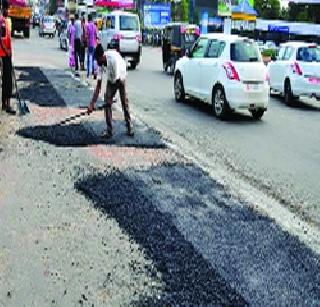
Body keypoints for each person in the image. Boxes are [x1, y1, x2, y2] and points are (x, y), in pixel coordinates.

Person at [88, 44, 134, 139]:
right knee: (106, 100)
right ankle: (109, 130)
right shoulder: (100, 64)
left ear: (102, 56)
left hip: (121, 76)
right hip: (112, 78)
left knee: (124, 102)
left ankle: (129, 126)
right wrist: (92, 104)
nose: (97, 62)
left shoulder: (113, 61)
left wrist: (111, 100)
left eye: (98, 60)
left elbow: (117, 81)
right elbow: (98, 86)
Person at [0, 0, 15, 114]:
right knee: (7, 81)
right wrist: (6, 50)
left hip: (7, 54)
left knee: (7, 80)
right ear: (3, 8)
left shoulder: (6, 21)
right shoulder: (1, 21)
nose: (8, 11)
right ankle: (6, 104)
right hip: (4, 54)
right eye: (7, 9)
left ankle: (5, 103)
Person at [86, 14, 97, 79]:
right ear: (92, 19)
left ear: (88, 19)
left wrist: (86, 45)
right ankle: (94, 72)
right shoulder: (94, 26)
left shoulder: (87, 26)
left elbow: (87, 36)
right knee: (94, 59)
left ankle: (88, 73)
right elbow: (96, 35)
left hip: (89, 44)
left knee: (88, 59)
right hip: (94, 44)